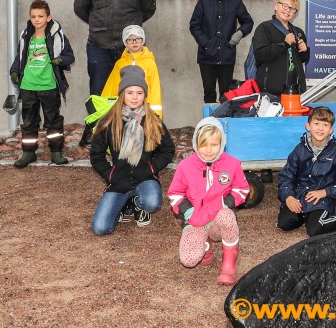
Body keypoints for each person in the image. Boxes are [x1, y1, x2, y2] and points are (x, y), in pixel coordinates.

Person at [74, 0, 156, 146]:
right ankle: (96, 134)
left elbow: (148, 8)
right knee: (99, 93)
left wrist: (131, 32)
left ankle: (128, 133)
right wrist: (98, 24)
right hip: (99, 47)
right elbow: (80, 8)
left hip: (128, 51)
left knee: (132, 92)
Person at [89, 65, 174, 235]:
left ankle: (137, 204)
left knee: (152, 202)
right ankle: (124, 205)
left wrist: (151, 168)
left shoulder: (153, 120)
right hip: (119, 180)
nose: (135, 97)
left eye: (139, 93)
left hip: (144, 177)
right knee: (100, 229)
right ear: (122, 94)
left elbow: (168, 150)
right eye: (130, 92)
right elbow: (96, 155)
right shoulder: (108, 121)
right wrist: (110, 175)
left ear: (145, 95)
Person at [169, 117, 249, 285]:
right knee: (189, 260)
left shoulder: (232, 164)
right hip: (195, 220)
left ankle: (229, 264)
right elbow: (175, 193)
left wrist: (227, 202)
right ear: (196, 143)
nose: (209, 150)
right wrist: (186, 210)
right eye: (204, 144)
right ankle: (206, 246)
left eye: (214, 145)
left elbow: (242, 189)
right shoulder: (185, 166)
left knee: (227, 217)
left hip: (218, 218)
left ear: (222, 143)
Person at [277, 106, 336, 237]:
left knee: (315, 230)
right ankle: (306, 216)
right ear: (308, 126)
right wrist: (288, 196)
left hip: (321, 200)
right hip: (299, 196)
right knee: (284, 223)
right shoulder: (299, 150)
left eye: (325, 125)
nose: (320, 128)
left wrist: (326, 192)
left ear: (331, 130)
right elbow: (286, 176)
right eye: (316, 123)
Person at [9, 0, 75, 167]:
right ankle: (28, 153)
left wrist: (60, 60)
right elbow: (20, 56)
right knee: (29, 121)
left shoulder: (56, 34)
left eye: (40, 16)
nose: (36, 19)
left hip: (48, 85)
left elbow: (70, 56)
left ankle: (56, 152)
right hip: (28, 85)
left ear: (48, 17)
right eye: (33, 16)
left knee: (53, 120)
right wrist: (14, 71)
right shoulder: (26, 35)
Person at [189, 0, 254, 104]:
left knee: (226, 94)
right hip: (206, 56)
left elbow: (248, 22)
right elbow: (194, 24)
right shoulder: (204, 0)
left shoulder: (235, 1)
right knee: (209, 93)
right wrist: (205, 43)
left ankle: (223, 124)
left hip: (226, 54)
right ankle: (209, 125)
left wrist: (239, 34)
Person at [98, 25, 164, 117]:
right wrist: (103, 113)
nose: (134, 42)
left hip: (145, 109)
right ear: (125, 42)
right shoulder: (120, 64)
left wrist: (156, 116)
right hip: (123, 110)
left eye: (138, 39)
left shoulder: (150, 63)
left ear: (143, 40)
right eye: (130, 39)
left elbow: (155, 89)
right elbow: (111, 88)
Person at [252, 0, 310, 96]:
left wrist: (305, 50)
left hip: (293, 91)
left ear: (295, 13)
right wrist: (284, 44)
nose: (288, 10)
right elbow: (260, 54)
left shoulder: (298, 32)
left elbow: (303, 60)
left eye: (292, 9)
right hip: (270, 92)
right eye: (285, 6)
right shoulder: (265, 28)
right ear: (275, 6)